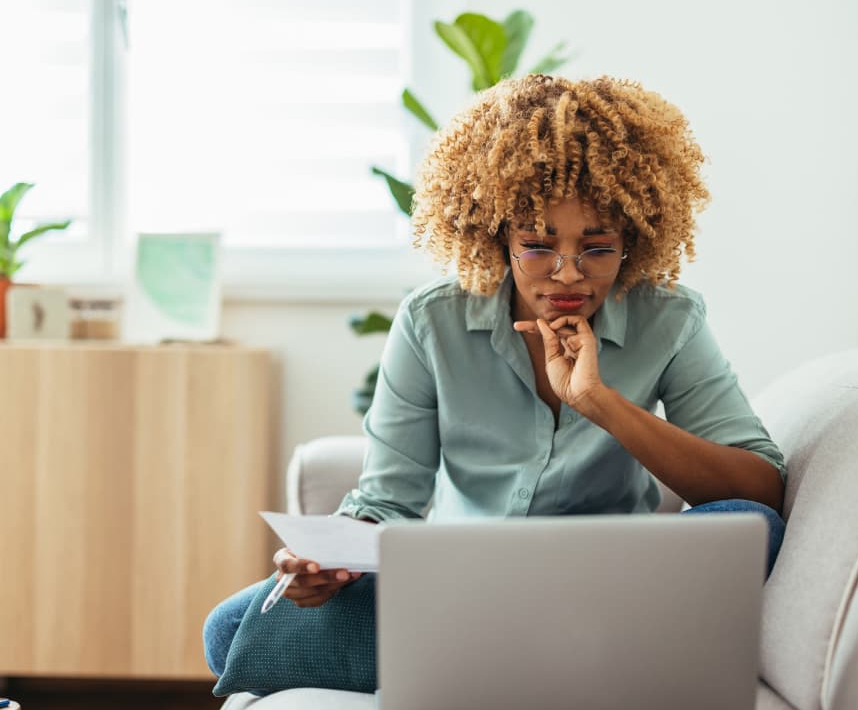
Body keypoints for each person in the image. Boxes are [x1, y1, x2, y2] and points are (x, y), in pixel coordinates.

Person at [204, 74, 786, 676]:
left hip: (605, 584)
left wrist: (598, 401)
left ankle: (489, 663)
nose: (567, 275)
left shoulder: (669, 319)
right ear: (496, 236)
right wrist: (330, 561)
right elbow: (387, 501)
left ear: (633, 241)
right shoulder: (434, 321)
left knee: (752, 527)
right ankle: (561, 663)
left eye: (597, 248)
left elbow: (759, 490)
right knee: (229, 633)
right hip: (459, 585)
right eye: (537, 245)